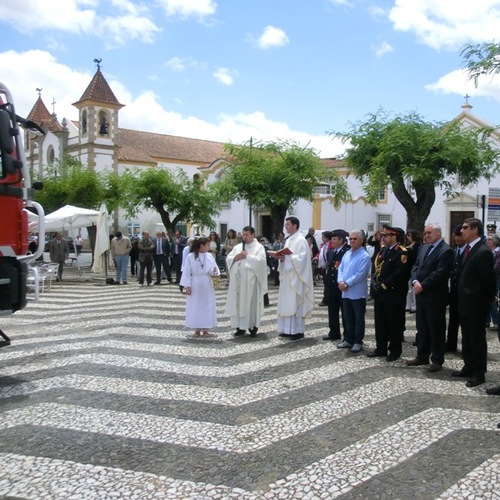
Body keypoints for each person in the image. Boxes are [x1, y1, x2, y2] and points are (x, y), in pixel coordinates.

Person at [452, 218, 496, 387]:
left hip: (476, 303)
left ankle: (479, 372)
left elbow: (488, 280)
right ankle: (468, 366)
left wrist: (488, 298)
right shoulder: (470, 249)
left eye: (465, 228)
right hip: (464, 301)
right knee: (467, 337)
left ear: (475, 229)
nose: (461, 231)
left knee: (477, 339)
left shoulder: (483, 250)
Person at [407, 222, 453, 372]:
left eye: (429, 233)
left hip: (435, 296)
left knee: (436, 328)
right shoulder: (423, 248)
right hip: (421, 294)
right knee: (422, 327)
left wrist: (423, 285)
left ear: (438, 233)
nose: (426, 235)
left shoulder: (446, 250)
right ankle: (422, 355)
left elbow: (441, 273)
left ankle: (437, 359)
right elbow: (415, 266)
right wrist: (414, 281)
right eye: (425, 233)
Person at [367, 226, 410, 361]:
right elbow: (375, 268)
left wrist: (384, 285)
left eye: (386, 235)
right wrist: (374, 282)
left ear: (394, 237)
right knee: (380, 322)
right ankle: (381, 348)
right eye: (383, 235)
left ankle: (395, 350)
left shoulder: (402, 252)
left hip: (393, 294)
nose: (383, 238)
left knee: (394, 323)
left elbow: (400, 274)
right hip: (380, 294)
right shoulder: (382, 251)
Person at [269, 216, 314, 340]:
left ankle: (297, 331)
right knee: (286, 303)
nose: (286, 227)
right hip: (287, 277)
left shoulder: (301, 240)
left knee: (295, 302)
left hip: (296, 278)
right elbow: (287, 255)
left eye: (287, 224)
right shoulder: (289, 240)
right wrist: (280, 258)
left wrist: (285, 258)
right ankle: (286, 329)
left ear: (295, 225)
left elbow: (302, 259)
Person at [225, 226, 268, 337]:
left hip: (251, 283)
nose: (244, 237)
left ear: (253, 234)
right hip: (238, 282)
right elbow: (229, 258)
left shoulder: (259, 247)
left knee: (250, 304)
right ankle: (240, 327)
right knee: (238, 304)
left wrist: (248, 256)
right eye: (243, 234)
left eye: (247, 234)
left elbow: (261, 262)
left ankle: (252, 327)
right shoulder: (238, 247)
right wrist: (235, 258)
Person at [337, 229, 371, 353]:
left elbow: (360, 274)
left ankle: (357, 341)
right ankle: (348, 339)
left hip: (357, 293)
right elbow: (340, 268)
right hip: (345, 292)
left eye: (354, 239)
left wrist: (347, 283)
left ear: (361, 241)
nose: (351, 241)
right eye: (350, 238)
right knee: (347, 317)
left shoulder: (364, 256)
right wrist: (340, 281)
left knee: (358, 318)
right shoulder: (347, 253)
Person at [180, 237, 220, 338]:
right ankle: (197, 329)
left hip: (206, 283)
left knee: (207, 305)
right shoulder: (190, 256)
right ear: (201, 246)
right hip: (195, 283)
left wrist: (214, 271)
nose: (209, 247)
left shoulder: (209, 256)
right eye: (207, 245)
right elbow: (186, 272)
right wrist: (187, 286)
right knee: (195, 306)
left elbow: (213, 269)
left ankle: (206, 329)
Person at [323, 229, 350, 341]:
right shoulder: (331, 251)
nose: (332, 241)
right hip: (332, 286)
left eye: (334, 239)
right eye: (332, 239)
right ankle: (334, 332)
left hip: (342, 286)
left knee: (345, 313)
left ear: (341, 240)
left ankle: (347, 335)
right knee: (332, 311)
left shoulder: (347, 252)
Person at [445, 226, 467, 353]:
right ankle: (451, 344)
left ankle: (466, 347)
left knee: (465, 322)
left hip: (464, 292)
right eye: (456, 236)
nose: (458, 238)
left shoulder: (468, 251)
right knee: (453, 320)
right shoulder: (453, 250)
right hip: (453, 291)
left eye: (460, 235)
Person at [405, 229, 422, 313]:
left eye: (409, 235)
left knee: (413, 287)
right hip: (408, 268)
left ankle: (414, 305)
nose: (408, 237)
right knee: (409, 288)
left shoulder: (418, 245)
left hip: (414, 267)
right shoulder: (408, 245)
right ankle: (408, 304)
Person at [485, 234, 500, 328]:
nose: (488, 241)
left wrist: (486, 270)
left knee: (493, 300)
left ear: (494, 241)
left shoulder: (498, 252)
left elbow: (497, 267)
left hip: (496, 279)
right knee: (486, 298)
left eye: (490, 239)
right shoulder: (488, 251)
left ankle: (496, 321)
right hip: (488, 278)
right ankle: (486, 320)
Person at [316, 231, 332, 307]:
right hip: (323, 267)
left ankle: (326, 299)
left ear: (327, 238)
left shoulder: (331, 245)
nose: (322, 238)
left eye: (323, 237)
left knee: (328, 284)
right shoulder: (324, 245)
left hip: (328, 267)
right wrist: (317, 256)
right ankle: (326, 298)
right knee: (325, 284)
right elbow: (321, 253)